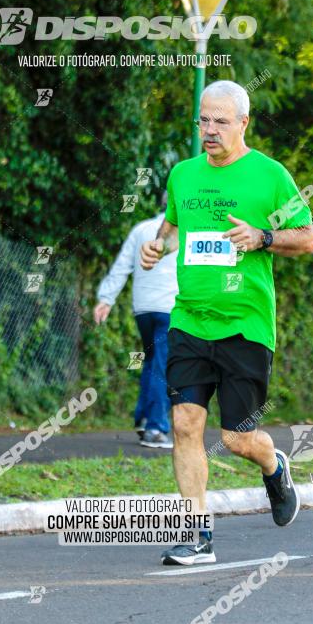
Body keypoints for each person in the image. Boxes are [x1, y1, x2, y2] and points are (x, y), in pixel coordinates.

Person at [140, 80, 313, 565]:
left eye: (221, 121)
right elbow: (174, 226)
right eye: (204, 120)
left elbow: (307, 238)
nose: (210, 130)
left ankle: (273, 464)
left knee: (237, 437)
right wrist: (158, 245)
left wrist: (262, 236)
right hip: (190, 320)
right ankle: (196, 535)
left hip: (246, 324)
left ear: (244, 123)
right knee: (184, 423)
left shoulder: (269, 175)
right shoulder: (183, 175)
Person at [94, 192, 178, 449]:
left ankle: (143, 418)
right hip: (171, 307)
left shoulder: (141, 229)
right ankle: (155, 428)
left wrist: (106, 299)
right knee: (163, 366)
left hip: (143, 309)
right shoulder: (185, 232)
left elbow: (122, 266)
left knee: (152, 361)